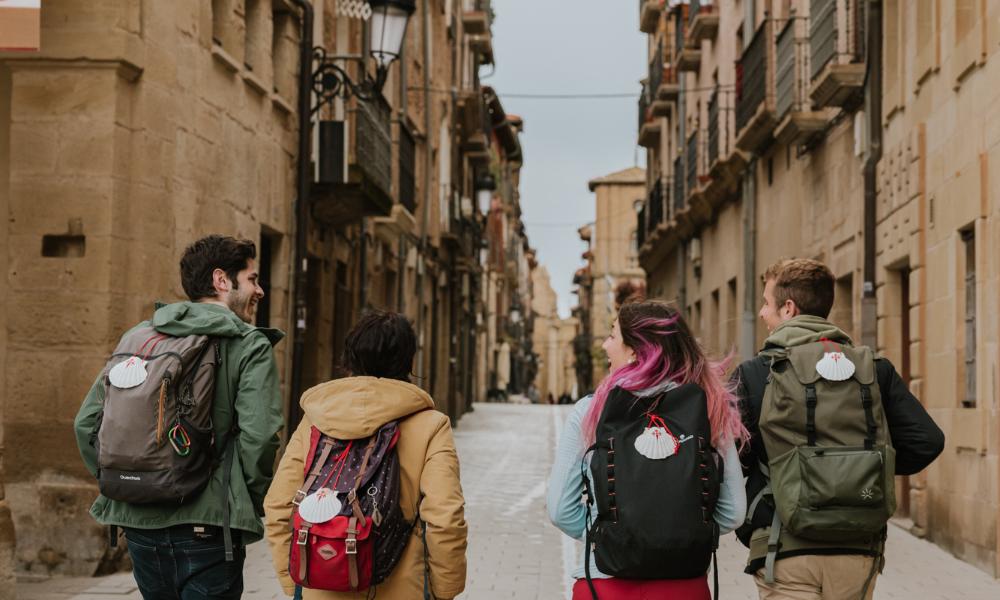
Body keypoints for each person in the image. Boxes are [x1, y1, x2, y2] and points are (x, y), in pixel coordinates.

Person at [74, 235, 284, 599]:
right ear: (222, 280)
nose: (260, 290)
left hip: (138, 525)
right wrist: (241, 499)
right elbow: (261, 436)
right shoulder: (249, 344)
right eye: (252, 278)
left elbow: (87, 423)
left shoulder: (139, 337)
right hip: (209, 527)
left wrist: (128, 481)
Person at [734, 258, 944, 599]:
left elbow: (733, 457)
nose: (761, 313)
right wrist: (863, 468)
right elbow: (927, 440)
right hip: (858, 546)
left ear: (788, 308)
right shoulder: (873, 368)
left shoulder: (756, 373)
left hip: (782, 544)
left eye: (766, 303)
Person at [547, 300, 748, 600]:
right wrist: (679, 537)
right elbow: (733, 513)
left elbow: (560, 509)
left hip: (605, 585)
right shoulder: (708, 408)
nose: (604, 345)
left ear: (635, 351)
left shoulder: (591, 410)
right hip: (685, 586)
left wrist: (613, 539)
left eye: (613, 335)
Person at [264, 310, 468, 599]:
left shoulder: (317, 420)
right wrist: (444, 589)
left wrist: (293, 580)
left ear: (350, 359)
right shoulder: (431, 426)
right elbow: (445, 517)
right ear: (409, 361)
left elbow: (278, 504)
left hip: (320, 585)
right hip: (401, 587)